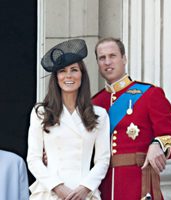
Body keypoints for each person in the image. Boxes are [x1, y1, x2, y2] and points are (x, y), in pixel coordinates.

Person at [92, 37, 171, 200]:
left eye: (112, 56)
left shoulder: (149, 94)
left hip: (138, 188)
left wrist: (158, 145)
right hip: (103, 190)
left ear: (124, 59)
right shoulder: (94, 103)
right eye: (102, 58)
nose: (107, 62)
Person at [27, 39, 110, 200]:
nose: (68, 76)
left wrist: (85, 188)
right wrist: (57, 187)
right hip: (49, 193)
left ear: (82, 75)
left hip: (85, 194)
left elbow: (103, 160)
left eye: (74, 70)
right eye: (62, 71)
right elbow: (33, 158)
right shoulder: (41, 113)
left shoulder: (99, 114)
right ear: (56, 77)